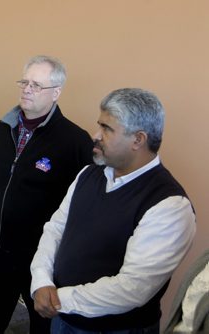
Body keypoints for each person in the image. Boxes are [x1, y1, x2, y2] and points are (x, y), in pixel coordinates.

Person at [30, 88, 197, 333]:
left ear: (138, 140)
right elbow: (55, 229)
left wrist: (58, 299)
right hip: (63, 317)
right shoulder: (88, 174)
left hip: (115, 328)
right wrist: (42, 280)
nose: (96, 135)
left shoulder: (170, 204)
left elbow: (132, 288)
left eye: (107, 129)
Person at [0, 55, 94, 334]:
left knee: (44, 327)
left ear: (56, 92)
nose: (27, 89)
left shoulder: (74, 140)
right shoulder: (3, 129)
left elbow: (85, 202)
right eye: (24, 82)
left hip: (41, 259)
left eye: (37, 85)